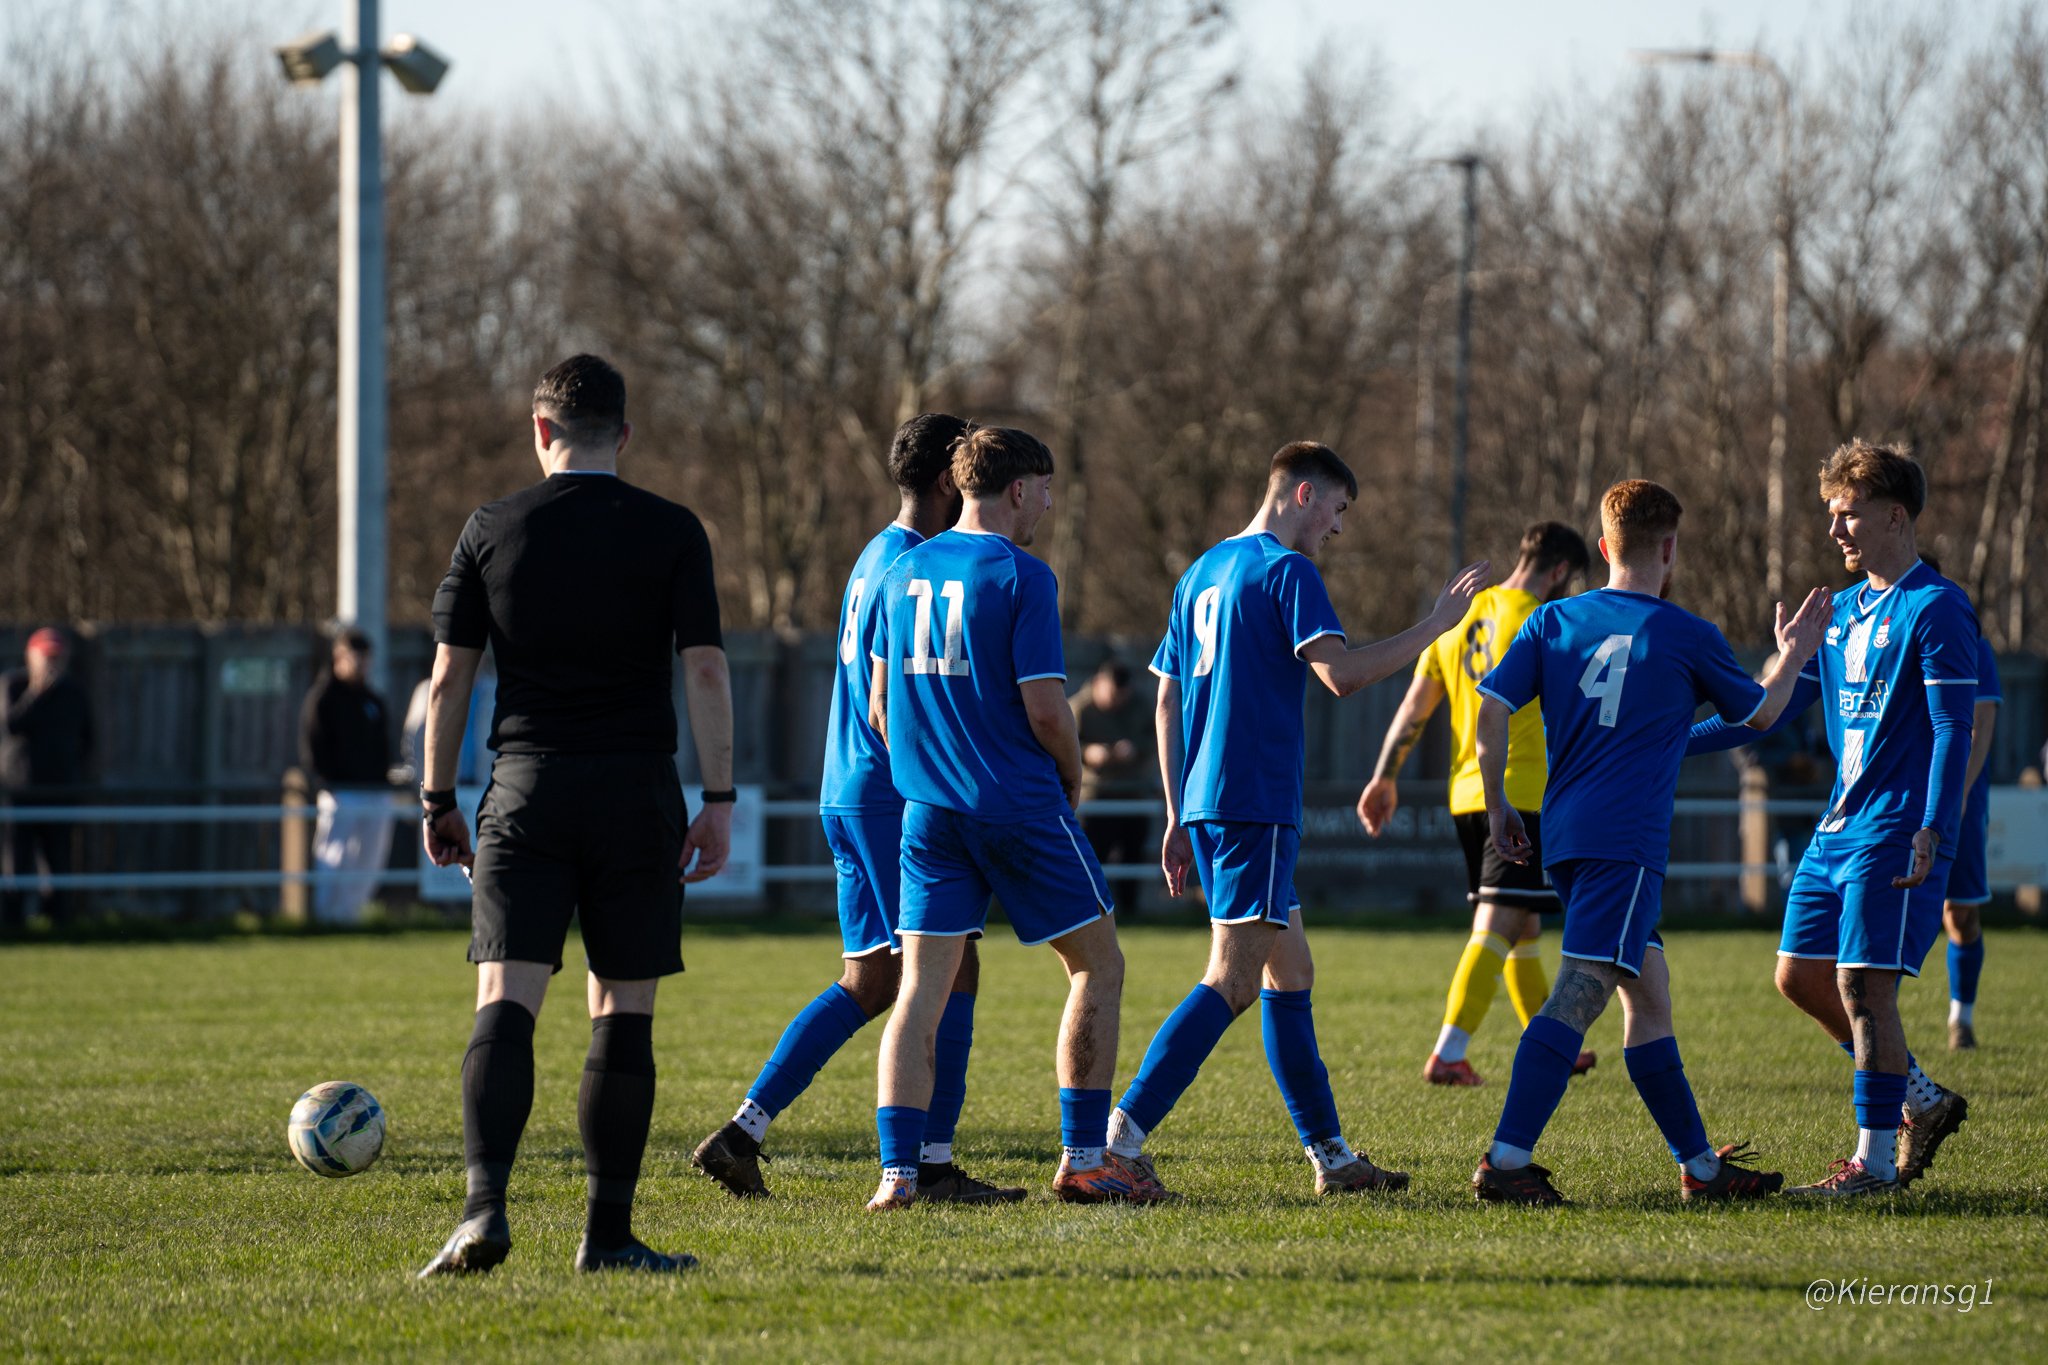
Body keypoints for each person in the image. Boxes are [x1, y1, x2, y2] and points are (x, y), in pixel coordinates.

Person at [416, 355, 733, 1276]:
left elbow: (447, 679)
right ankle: (608, 1235)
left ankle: (483, 1211)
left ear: (540, 429)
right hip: (637, 790)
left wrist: (438, 799)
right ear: (624, 436)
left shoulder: (492, 527)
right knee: (621, 1008)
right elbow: (705, 669)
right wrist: (718, 798)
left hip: (526, 787)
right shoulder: (673, 530)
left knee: (507, 998)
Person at [1107, 441, 1488, 1199]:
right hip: (1254, 802)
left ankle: (1334, 1159)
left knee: (1292, 970)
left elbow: (1165, 697)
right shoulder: (1287, 572)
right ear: (1305, 494)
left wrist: (1177, 813)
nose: (1338, 531)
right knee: (1233, 977)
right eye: (1339, 511)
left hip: (1213, 803)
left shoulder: (1201, 570)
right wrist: (1438, 625)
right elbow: (1342, 675)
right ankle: (1118, 1139)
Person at [690, 413, 1020, 1205]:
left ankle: (743, 1131)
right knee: (954, 967)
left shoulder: (875, 553)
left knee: (871, 979)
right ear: (950, 480)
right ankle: (929, 1164)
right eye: (967, 471)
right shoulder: (918, 564)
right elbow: (886, 702)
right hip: (885, 796)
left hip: (844, 790)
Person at [1469, 479, 1829, 1205]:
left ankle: (1701, 1167)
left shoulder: (1552, 622)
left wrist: (1500, 801)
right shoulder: (1685, 633)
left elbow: (1493, 705)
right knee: (1581, 990)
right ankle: (1505, 1160)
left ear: (1602, 547)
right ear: (1670, 549)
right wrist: (1794, 658)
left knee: (1649, 997)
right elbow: (1759, 715)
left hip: (1565, 835)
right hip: (1625, 844)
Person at [865, 425, 1152, 1209]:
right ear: (1019, 488)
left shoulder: (902, 568)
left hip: (929, 813)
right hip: (1017, 804)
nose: (1051, 504)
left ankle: (898, 1176)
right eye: (1047, 489)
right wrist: (1069, 777)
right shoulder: (1024, 576)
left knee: (919, 992)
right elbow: (1049, 712)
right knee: (1098, 964)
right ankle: (1087, 1158)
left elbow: (880, 703)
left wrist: (926, 766)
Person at [1688, 443, 1975, 1194]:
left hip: (1897, 826)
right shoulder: (1843, 611)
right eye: (1830, 516)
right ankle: (1920, 1098)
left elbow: (1954, 728)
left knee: (1863, 987)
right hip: (1837, 830)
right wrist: (1669, 744)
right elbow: (1765, 712)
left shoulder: (1938, 606)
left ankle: (1874, 1164)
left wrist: (1933, 826)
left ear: (1895, 515)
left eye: (1846, 515)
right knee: (1796, 976)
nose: (1834, 531)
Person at [1357, 521, 1595, 1086]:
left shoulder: (1456, 618)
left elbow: (1416, 706)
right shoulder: (1542, 621)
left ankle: (1553, 1042)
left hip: (1467, 792)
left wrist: (1383, 774)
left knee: (1524, 925)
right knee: (1499, 921)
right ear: (1560, 571)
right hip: (1519, 796)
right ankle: (1449, 1052)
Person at [1914, 557, 1999, 1052]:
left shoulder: (1968, 640)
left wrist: (1956, 798)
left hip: (1958, 798)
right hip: (1902, 796)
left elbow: (1978, 725)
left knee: (1959, 914)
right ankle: (1875, 1027)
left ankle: (1960, 1019)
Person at [299, 628, 394, 924]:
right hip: (341, 791)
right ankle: (325, 915)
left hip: (374, 791)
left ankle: (351, 914)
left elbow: (382, 746)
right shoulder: (323, 699)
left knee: (369, 857)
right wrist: (326, 780)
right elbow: (313, 745)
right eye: (356, 658)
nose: (362, 665)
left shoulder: (372, 701)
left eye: (366, 659)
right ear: (339, 657)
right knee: (334, 856)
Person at [1, 628, 94, 928]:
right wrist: (37, 692)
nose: (52, 663)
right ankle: (13, 924)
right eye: (46, 657)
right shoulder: (13, 686)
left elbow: (88, 740)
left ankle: (59, 923)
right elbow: (12, 725)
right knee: (16, 860)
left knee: (58, 859)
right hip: (19, 791)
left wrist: (73, 772)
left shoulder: (73, 693)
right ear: (31, 657)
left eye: (57, 657)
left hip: (59, 789)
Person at [1071, 658, 1156, 916]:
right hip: (1096, 796)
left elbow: (1155, 739)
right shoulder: (1079, 708)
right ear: (1099, 684)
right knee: (1094, 857)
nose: (1117, 702)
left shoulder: (1141, 705)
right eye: (1112, 695)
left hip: (1133, 792)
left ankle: (1130, 912)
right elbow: (1061, 743)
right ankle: (1090, 911)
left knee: (1134, 853)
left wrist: (1135, 749)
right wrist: (1089, 753)